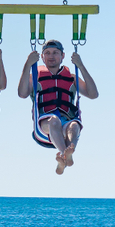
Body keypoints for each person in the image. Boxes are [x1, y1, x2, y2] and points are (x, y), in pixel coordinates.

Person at [18, 40, 98, 175]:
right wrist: (28, 64)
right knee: (54, 120)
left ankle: (67, 155)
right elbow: (22, 94)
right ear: (42, 57)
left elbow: (93, 94)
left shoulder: (71, 78)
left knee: (74, 125)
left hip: (66, 121)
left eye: (55, 53)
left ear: (63, 56)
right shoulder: (35, 77)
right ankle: (64, 154)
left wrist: (80, 66)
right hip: (44, 125)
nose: (51, 56)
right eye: (47, 53)